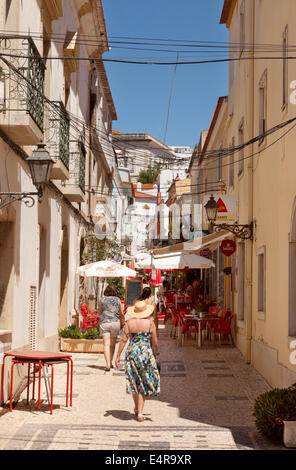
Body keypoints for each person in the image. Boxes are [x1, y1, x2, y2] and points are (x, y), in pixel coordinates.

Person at [115, 300, 160, 422]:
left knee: (133, 380)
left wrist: (118, 355)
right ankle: (140, 412)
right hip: (146, 354)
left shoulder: (129, 322)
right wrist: (154, 356)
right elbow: (155, 343)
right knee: (143, 381)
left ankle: (136, 408)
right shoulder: (151, 324)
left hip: (132, 353)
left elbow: (124, 340)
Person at [97, 285, 125, 372]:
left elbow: (99, 312)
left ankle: (107, 364)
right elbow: (121, 313)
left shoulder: (102, 300)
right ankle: (111, 362)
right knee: (112, 345)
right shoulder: (118, 300)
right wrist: (123, 322)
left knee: (106, 344)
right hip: (115, 323)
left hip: (105, 323)